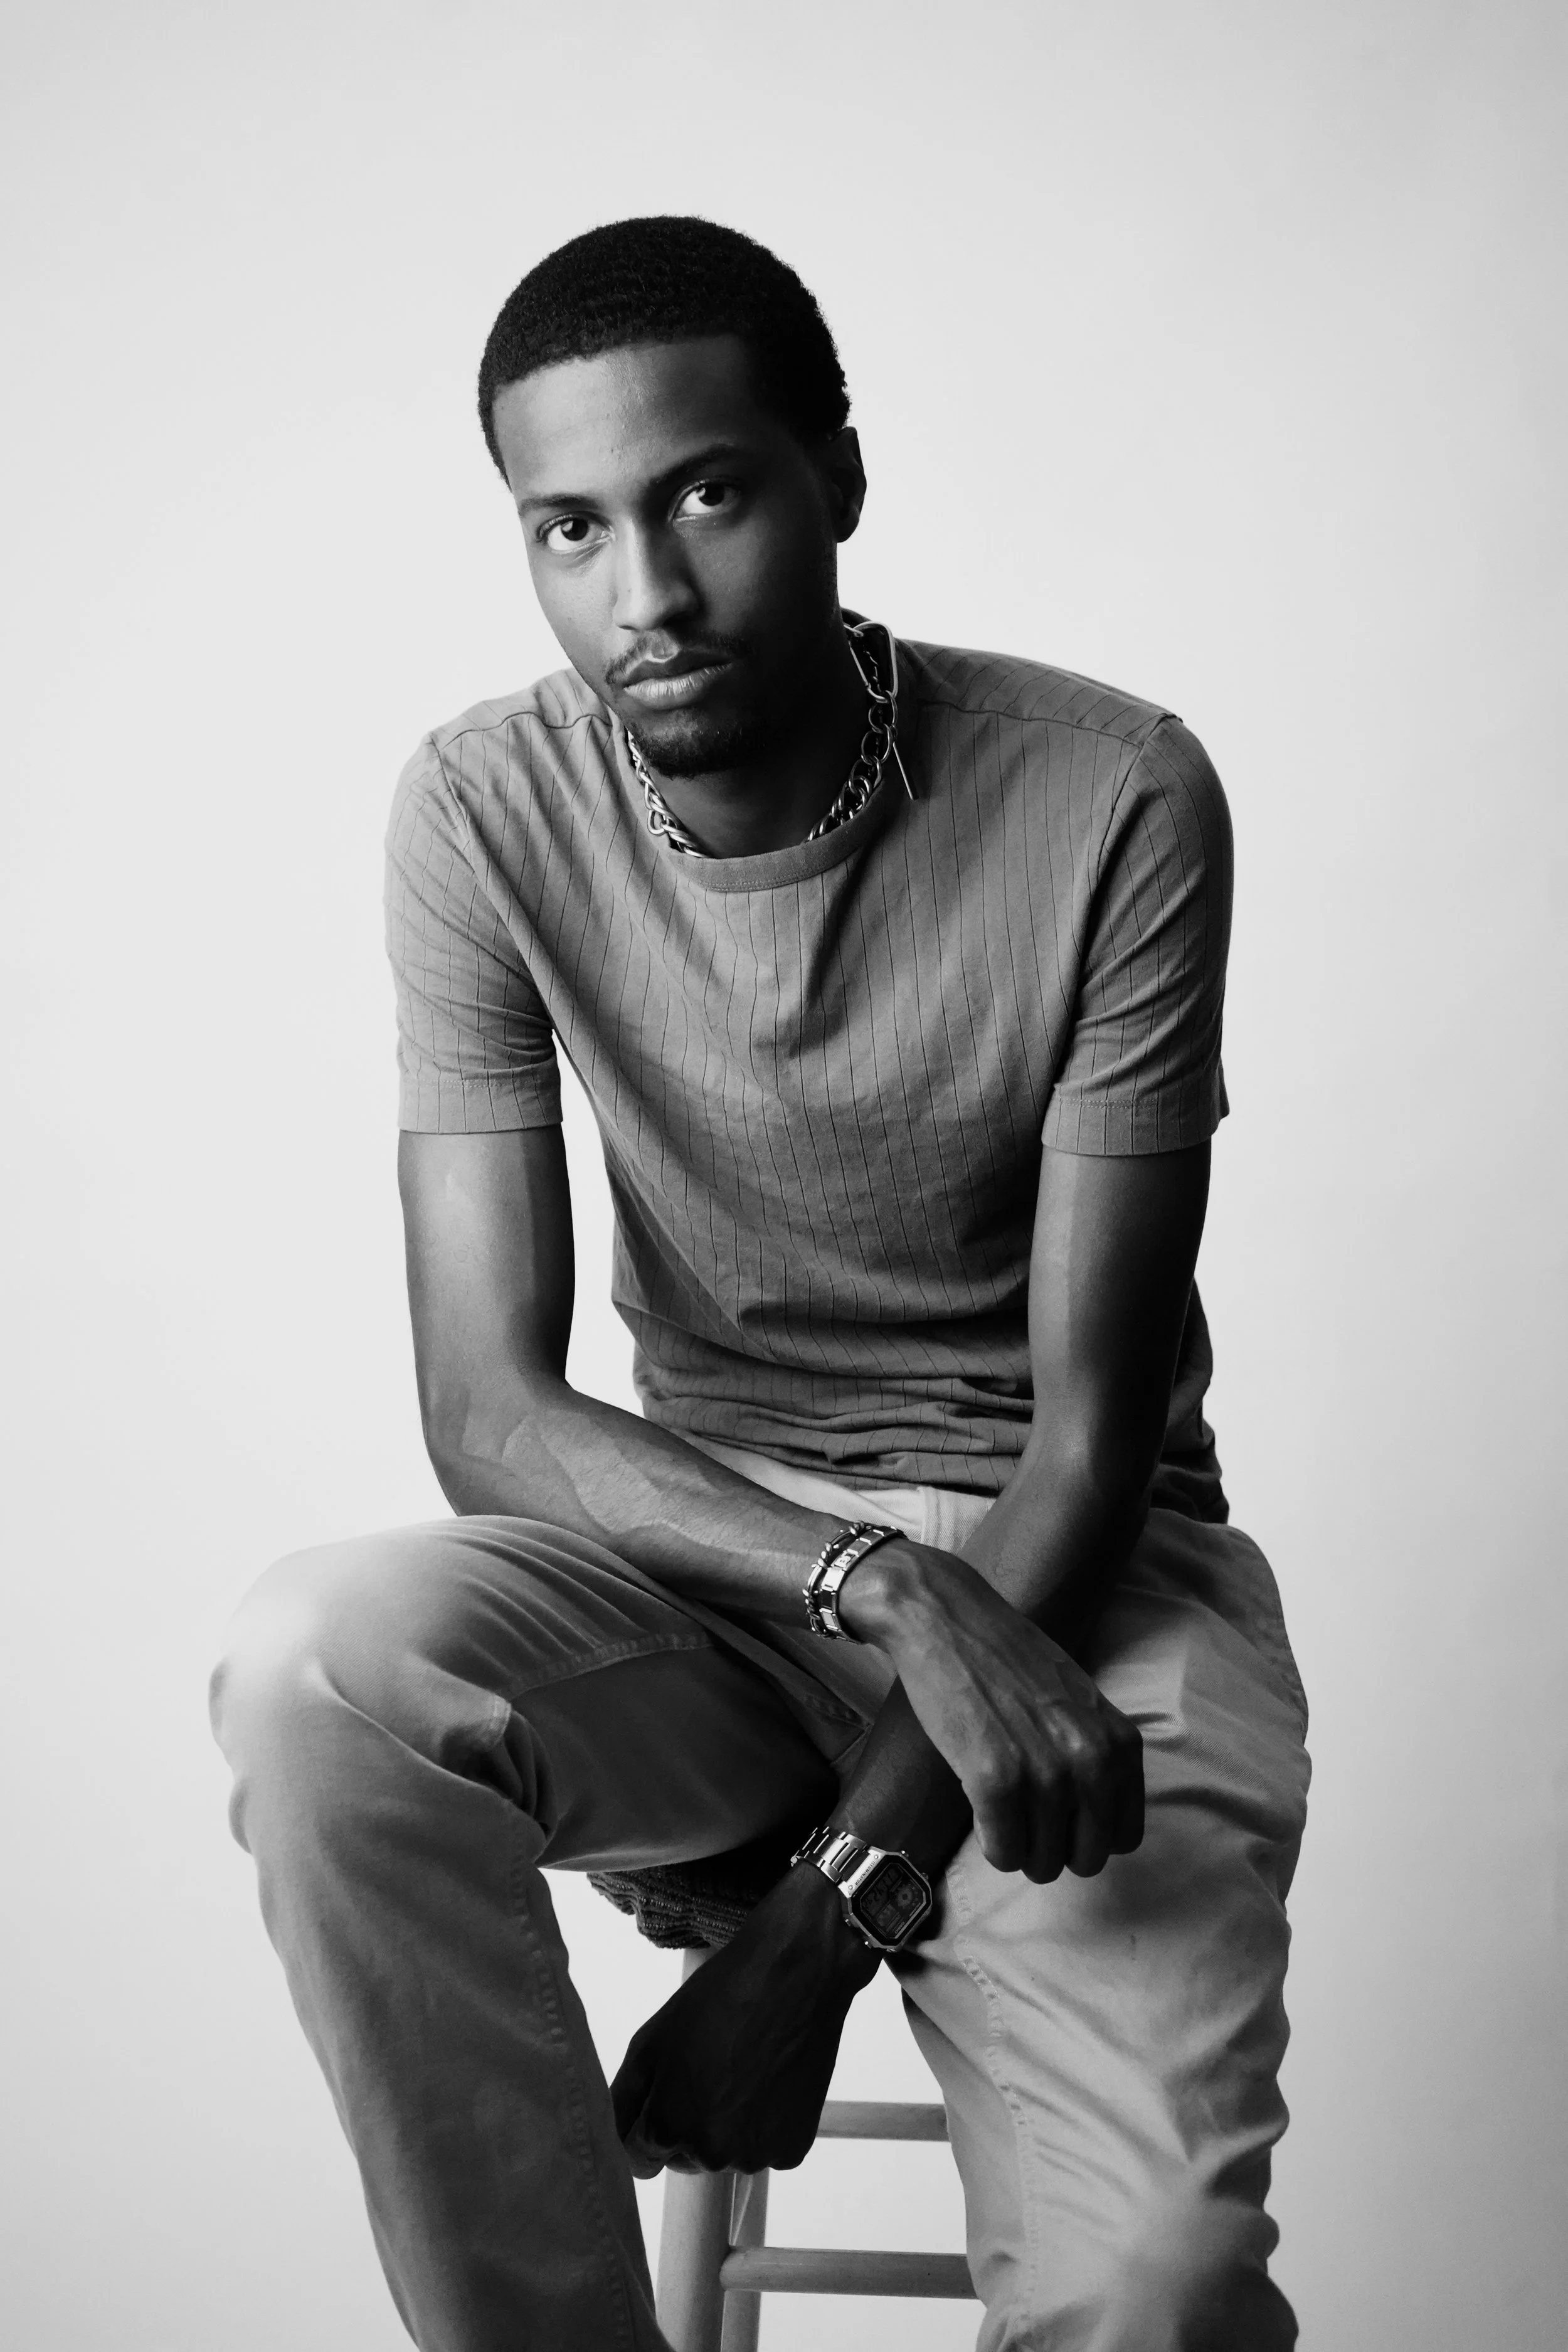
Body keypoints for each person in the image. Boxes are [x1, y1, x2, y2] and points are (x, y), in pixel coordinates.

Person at [211, 215, 1310, 2352]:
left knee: (1152, 2290)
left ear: (838, 478)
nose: (645, 594)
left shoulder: (1111, 795)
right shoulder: (480, 807)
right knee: (309, 1664)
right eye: (567, 526)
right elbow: (488, 1413)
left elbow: (1084, 1441)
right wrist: (876, 1588)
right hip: (714, 1567)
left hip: (1085, 1584)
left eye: (706, 492)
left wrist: (806, 1939)